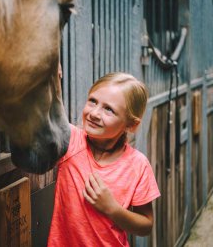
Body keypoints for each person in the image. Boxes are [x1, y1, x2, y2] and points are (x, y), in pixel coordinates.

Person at [48, 72, 160, 246]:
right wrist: (53, 72)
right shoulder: (71, 141)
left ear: (131, 125)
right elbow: (49, 111)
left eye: (109, 109)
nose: (94, 113)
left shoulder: (138, 165)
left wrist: (112, 209)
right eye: (93, 101)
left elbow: (146, 225)